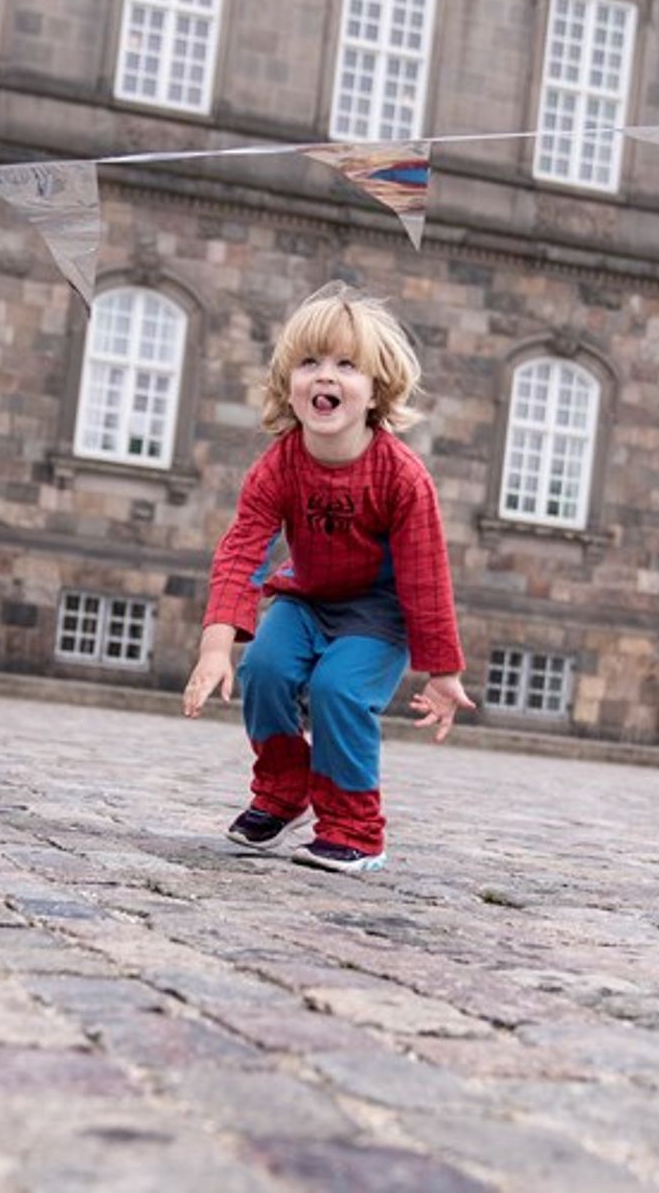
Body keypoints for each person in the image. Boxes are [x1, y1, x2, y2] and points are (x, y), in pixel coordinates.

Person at [181, 282, 472, 874]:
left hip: (378, 613)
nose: (325, 377)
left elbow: (426, 576)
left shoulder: (403, 478)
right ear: (288, 385)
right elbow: (242, 552)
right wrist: (216, 650)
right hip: (306, 599)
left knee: (339, 689)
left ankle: (355, 829)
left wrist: (443, 672)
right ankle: (285, 790)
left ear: (375, 391)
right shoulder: (278, 466)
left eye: (346, 365)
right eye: (309, 363)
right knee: (264, 668)